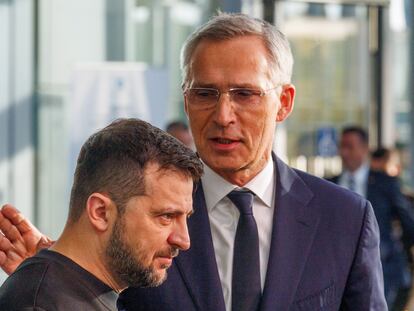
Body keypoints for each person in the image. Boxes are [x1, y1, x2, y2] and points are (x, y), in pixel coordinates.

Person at [0, 13, 387, 310]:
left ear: (283, 102)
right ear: (186, 101)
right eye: (205, 93)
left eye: (244, 94)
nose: (223, 115)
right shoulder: (138, 214)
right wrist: (60, 276)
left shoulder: (345, 220)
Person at [0, 118, 203, 310]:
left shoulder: (63, 294)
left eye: (186, 217)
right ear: (101, 212)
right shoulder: (40, 303)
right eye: (166, 216)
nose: (184, 240)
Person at [329, 125, 414, 309]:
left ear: (364, 149)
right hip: (338, 277)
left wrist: (406, 258)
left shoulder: (385, 183)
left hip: (384, 273)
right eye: (341, 146)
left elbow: (408, 221)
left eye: (349, 146)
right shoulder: (328, 185)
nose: (344, 152)